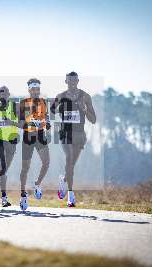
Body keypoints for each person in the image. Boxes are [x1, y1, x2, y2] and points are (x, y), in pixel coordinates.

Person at [50, 72, 96, 207]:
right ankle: (71, 196)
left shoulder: (85, 96)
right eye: (69, 81)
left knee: (71, 165)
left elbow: (93, 120)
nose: (72, 84)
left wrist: (85, 109)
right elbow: (52, 112)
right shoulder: (60, 96)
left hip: (79, 135)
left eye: (74, 81)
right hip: (65, 133)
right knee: (69, 159)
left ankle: (64, 180)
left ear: (78, 81)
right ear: (66, 82)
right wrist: (59, 109)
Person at [18, 78, 51, 211]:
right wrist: (30, 124)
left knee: (47, 162)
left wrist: (48, 127)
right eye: (33, 89)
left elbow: (46, 118)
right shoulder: (23, 103)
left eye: (38, 89)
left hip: (40, 136)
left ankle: (37, 184)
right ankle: (23, 195)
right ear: (29, 90)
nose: (36, 91)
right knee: (25, 168)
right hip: (28, 137)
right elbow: (20, 123)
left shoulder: (43, 102)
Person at [0, 85, 19, 207]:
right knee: (3, 167)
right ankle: (4, 198)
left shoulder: (15, 106)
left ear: (8, 94)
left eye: (4, 93)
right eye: (0, 93)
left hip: (11, 141)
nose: (2, 95)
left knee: (4, 170)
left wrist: (11, 122)